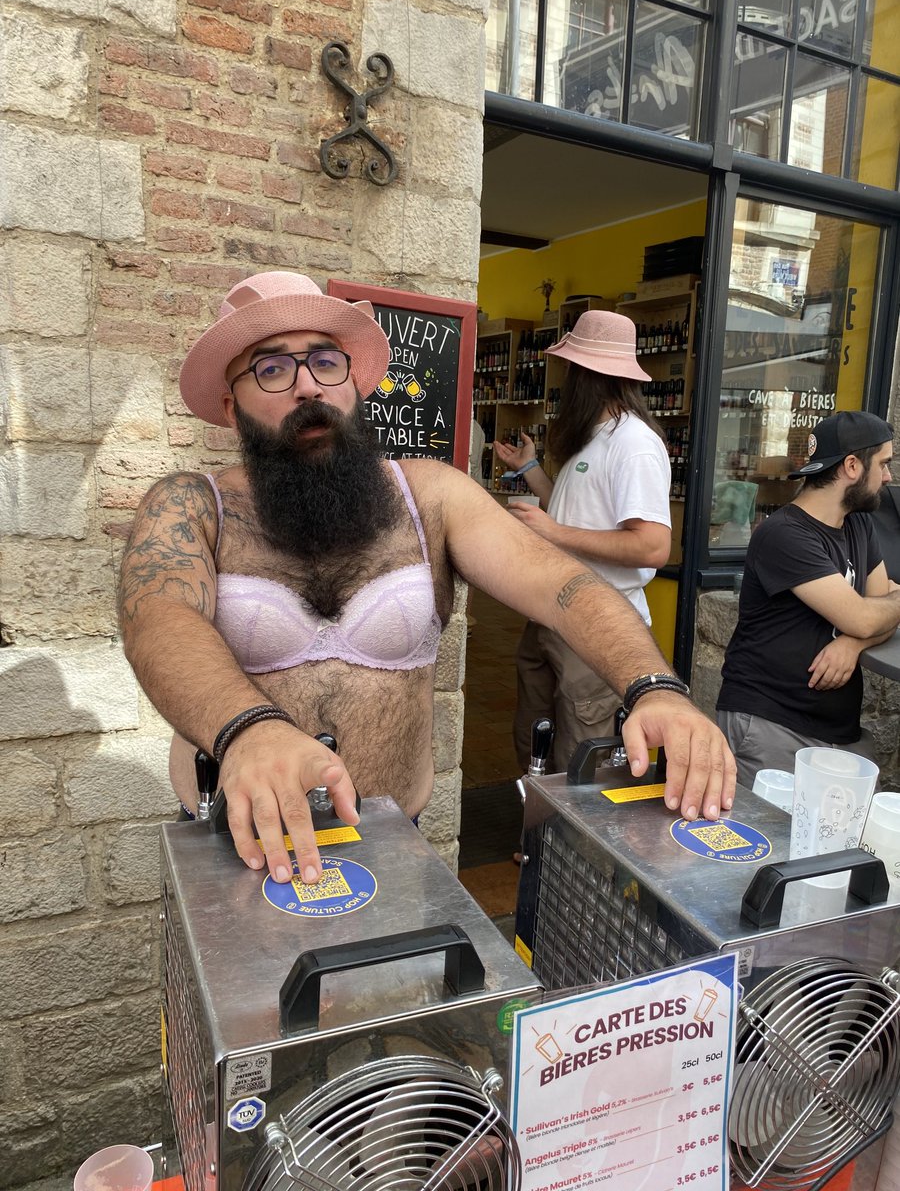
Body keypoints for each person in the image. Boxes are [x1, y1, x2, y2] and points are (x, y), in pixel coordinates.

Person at [118, 272, 735, 888]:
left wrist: (655, 687)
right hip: (238, 843)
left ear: (355, 383)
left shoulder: (430, 495)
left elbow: (562, 586)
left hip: (393, 844)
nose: (307, 385)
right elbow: (160, 619)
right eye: (272, 369)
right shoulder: (189, 506)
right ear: (231, 406)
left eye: (326, 362)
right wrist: (247, 731)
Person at [493, 310, 672, 772]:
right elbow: (576, 512)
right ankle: (536, 841)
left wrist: (552, 533)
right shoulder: (593, 440)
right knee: (536, 742)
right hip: (554, 613)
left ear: (587, 377)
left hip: (599, 623)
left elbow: (652, 547)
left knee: (582, 757)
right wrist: (532, 471)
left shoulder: (634, 444)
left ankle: (566, 845)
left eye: (570, 370)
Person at [717, 410, 900, 789]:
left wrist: (853, 644)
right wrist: (868, 621)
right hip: (772, 725)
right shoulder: (784, 534)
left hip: (834, 731)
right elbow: (870, 615)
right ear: (852, 465)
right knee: (770, 845)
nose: (888, 477)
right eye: (883, 464)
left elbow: (880, 609)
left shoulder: (858, 523)